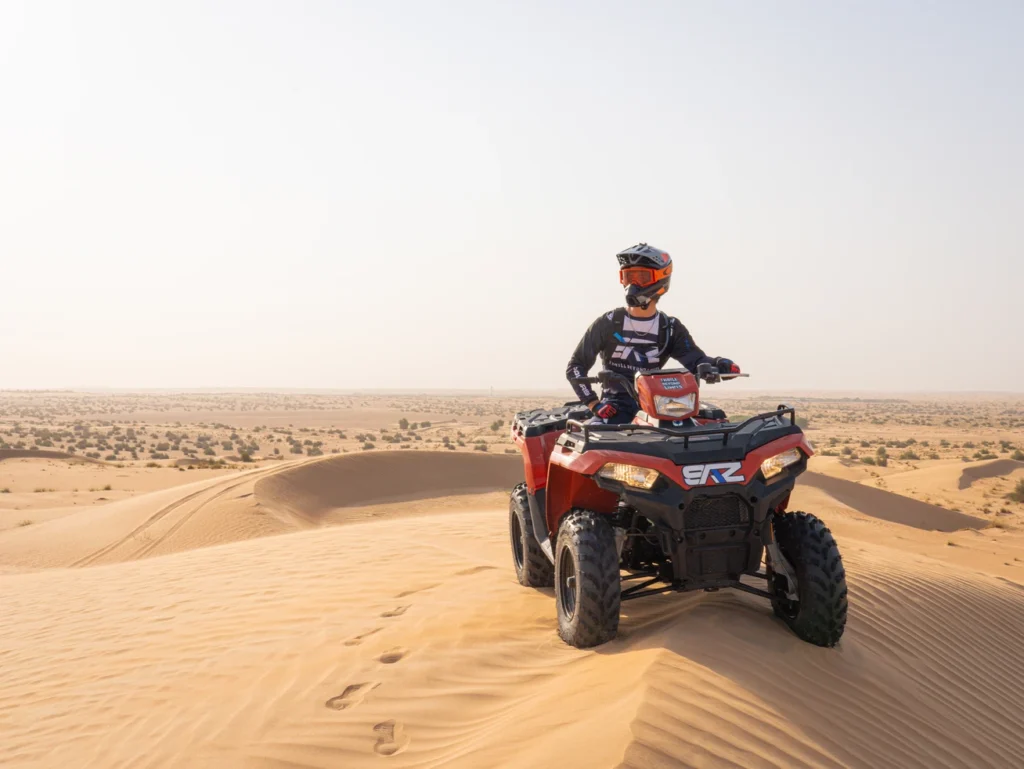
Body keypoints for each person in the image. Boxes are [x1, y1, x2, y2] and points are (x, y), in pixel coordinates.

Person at [566, 243, 740, 424]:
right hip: (615, 406)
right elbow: (576, 366)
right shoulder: (608, 323)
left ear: (661, 280)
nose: (633, 284)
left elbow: (695, 360)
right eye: (628, 277)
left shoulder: (670, 327)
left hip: (660, 406)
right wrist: (594, 403)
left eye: (642, 277)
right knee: (596, 441)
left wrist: (718, 365)